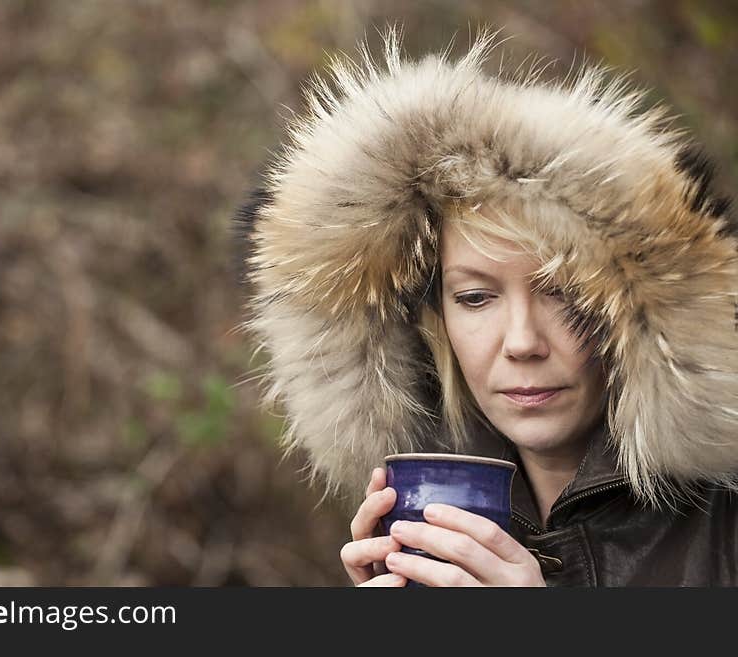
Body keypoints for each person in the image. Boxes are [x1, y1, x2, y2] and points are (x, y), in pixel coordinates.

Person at [237, 30, 738, 586]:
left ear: (634, 311)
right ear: (432, 321)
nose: (522, 342)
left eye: (561, 292)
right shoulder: (414, 508)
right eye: (475, 298)